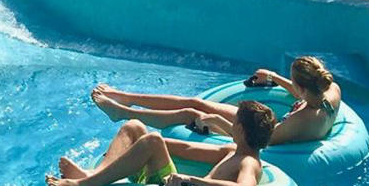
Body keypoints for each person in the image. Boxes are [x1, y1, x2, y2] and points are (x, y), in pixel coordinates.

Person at [46, 101, 276, 186]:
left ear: (242, 131)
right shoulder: (232, 150)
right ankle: (93, 175)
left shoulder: (248, 163)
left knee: (153, 140)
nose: (230, 123)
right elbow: (186, 148)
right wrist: (141, 145)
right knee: (134, 127)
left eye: (234, 122)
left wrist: (192, 179)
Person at [89, 56, 340, 145]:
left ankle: (122, 112)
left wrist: (218, 121)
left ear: (301, 85)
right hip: (273, 126)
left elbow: (257, 142)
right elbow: (304, 95)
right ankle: (127, 98)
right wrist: (274, 77)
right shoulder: (331, 93)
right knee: (197, 102)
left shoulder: (300, 121)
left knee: (190, 112)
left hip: (262, 134)